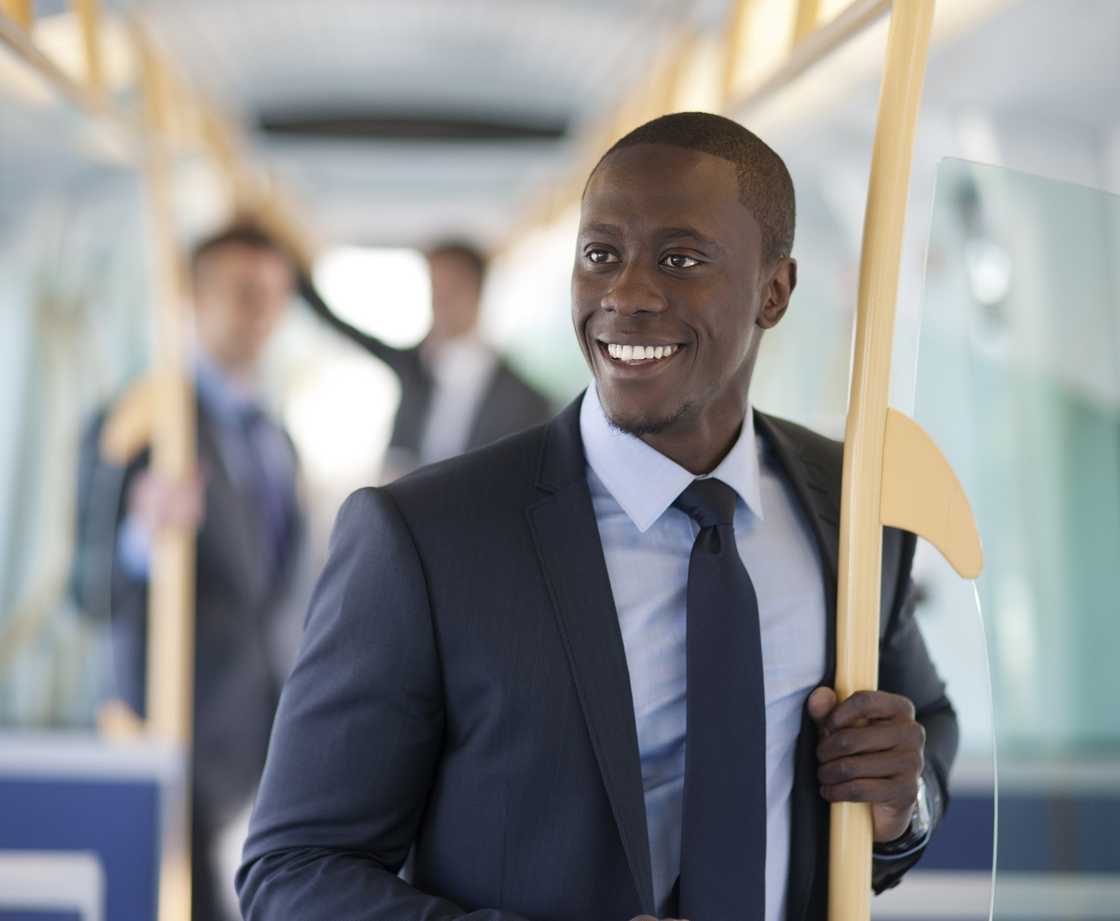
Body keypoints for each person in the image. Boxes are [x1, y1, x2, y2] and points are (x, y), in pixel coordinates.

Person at [238, 113, 957, 921]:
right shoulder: (423, 538)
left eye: (680, 259)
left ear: (774, 291)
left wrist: (903, 805)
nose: (627, 293)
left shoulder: (854, 507)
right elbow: (291, 871)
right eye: (600, 255)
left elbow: (919, 727)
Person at [74, 223, 306, 921]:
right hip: (176, 735)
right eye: (239, 292)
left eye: (270, 293)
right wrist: (142, 536)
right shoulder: (138, 424)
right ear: (194, 299)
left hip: (267, 742)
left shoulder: (275, 437)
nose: (257, 311)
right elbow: (88, 592)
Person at [304, 240, 552, 477]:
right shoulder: (413, 365)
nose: (439, 302)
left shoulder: (527, 400)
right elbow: (344, 329)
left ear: (478, 292)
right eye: (435, 288)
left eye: (451, 290)